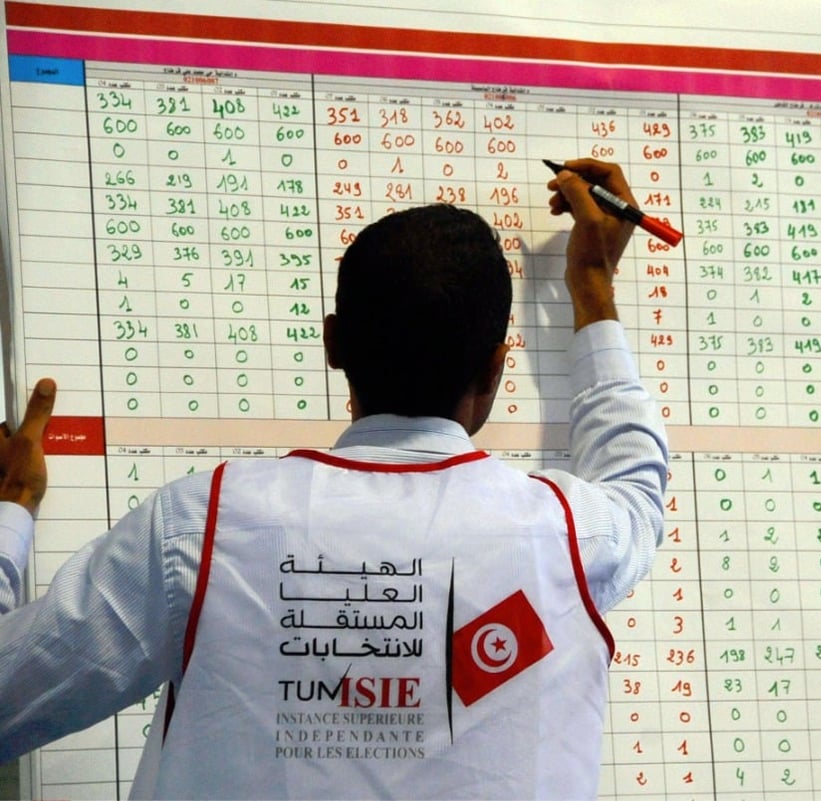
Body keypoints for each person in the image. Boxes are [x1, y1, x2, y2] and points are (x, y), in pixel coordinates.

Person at [0, 159, 669, 799]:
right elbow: (635, 477)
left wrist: (12, 513)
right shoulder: (571, 534)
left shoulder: (202, 526)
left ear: (331, 344)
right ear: (496, 369)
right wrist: (592, 283)